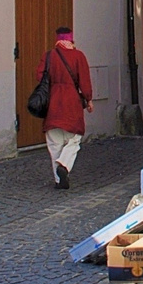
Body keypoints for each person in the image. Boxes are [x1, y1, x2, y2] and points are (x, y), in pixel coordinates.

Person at [41, 27, 93, 190]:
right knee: (74, 140)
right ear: (71, 40)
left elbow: (39, 76)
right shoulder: (78, 56)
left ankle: (59, 180)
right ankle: (64, 165)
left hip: (53, 104)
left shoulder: (49, 56)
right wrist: (89, 99)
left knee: (54, 143)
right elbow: (84, 81)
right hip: (71, 103)